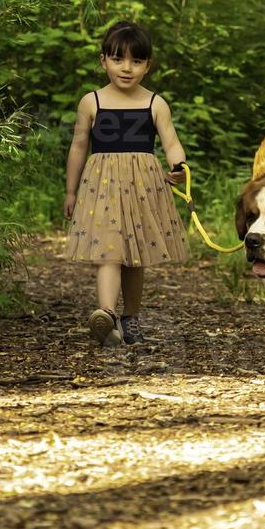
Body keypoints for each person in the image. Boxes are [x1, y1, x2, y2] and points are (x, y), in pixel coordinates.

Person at [64, 21, 189, 346]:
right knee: (108, 253)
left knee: (135, 256)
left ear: (147, 66)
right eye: (118, 59)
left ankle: (130, 316)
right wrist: (71, 190)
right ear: (103, 60)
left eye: (136, 61)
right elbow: (78, 146)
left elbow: (171, 141)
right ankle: (106, 315)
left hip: (143, 186)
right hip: (102, 186)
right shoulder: (91, 102)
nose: (126, 68)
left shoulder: (154, 103)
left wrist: (179, 165)